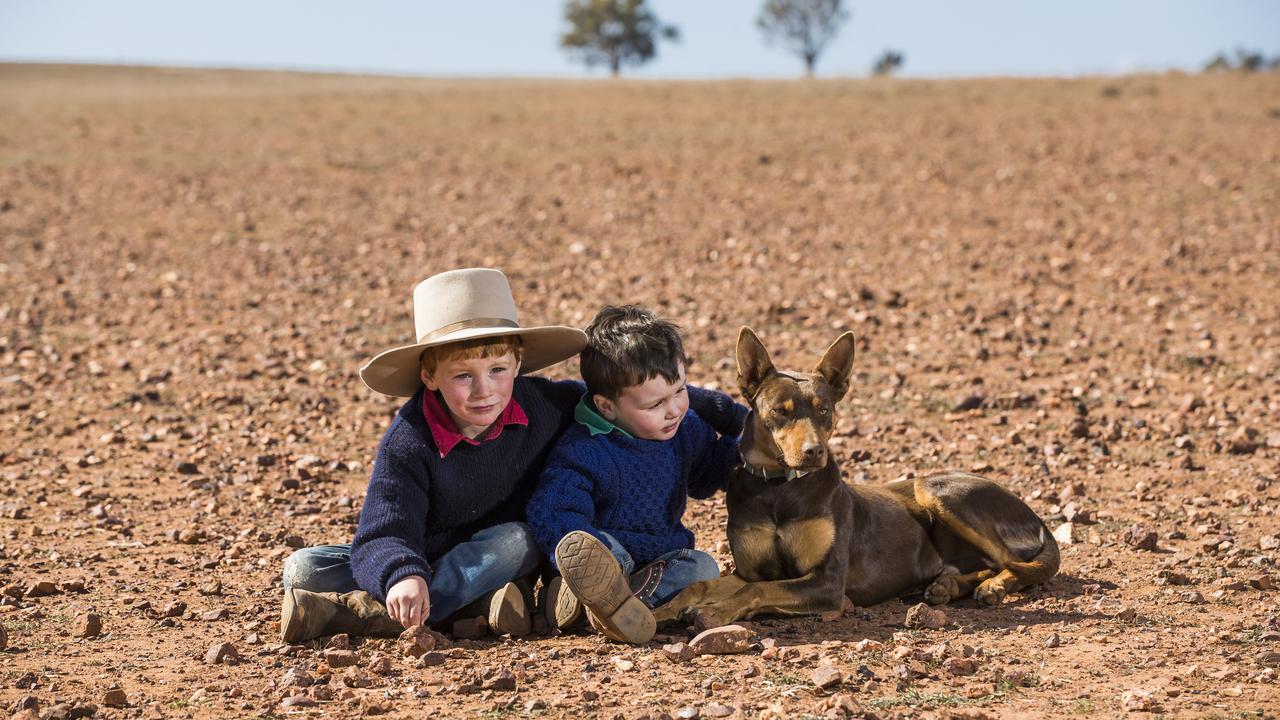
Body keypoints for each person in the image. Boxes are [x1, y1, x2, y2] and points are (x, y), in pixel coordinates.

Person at [279, 269, 744, 643]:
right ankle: (464, 604)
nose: (485, 390)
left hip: (504, 549)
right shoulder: (411, 439)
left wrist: (738, 416)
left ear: (518, 364)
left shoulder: (545, 404)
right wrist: (401, 575)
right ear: (429, 376)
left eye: (498, 370)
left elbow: (636, 393)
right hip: (426, 551)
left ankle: (373, 617)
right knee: (303, 568)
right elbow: (385, 529)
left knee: (517, 541)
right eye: (463, 376)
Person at [528, 305, 743, 644]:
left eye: (681, 391)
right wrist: (583, 552)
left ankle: (605, 605)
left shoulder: (684, 430)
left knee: (703, 567)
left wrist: (749, 443)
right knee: (599, 551)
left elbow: (706, 475)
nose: (673, 410)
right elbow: (553, 512)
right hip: (608, 553)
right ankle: (600, 596)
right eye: (654, 405)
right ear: (607, 407)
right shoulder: (584, 450)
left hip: (661, 557)